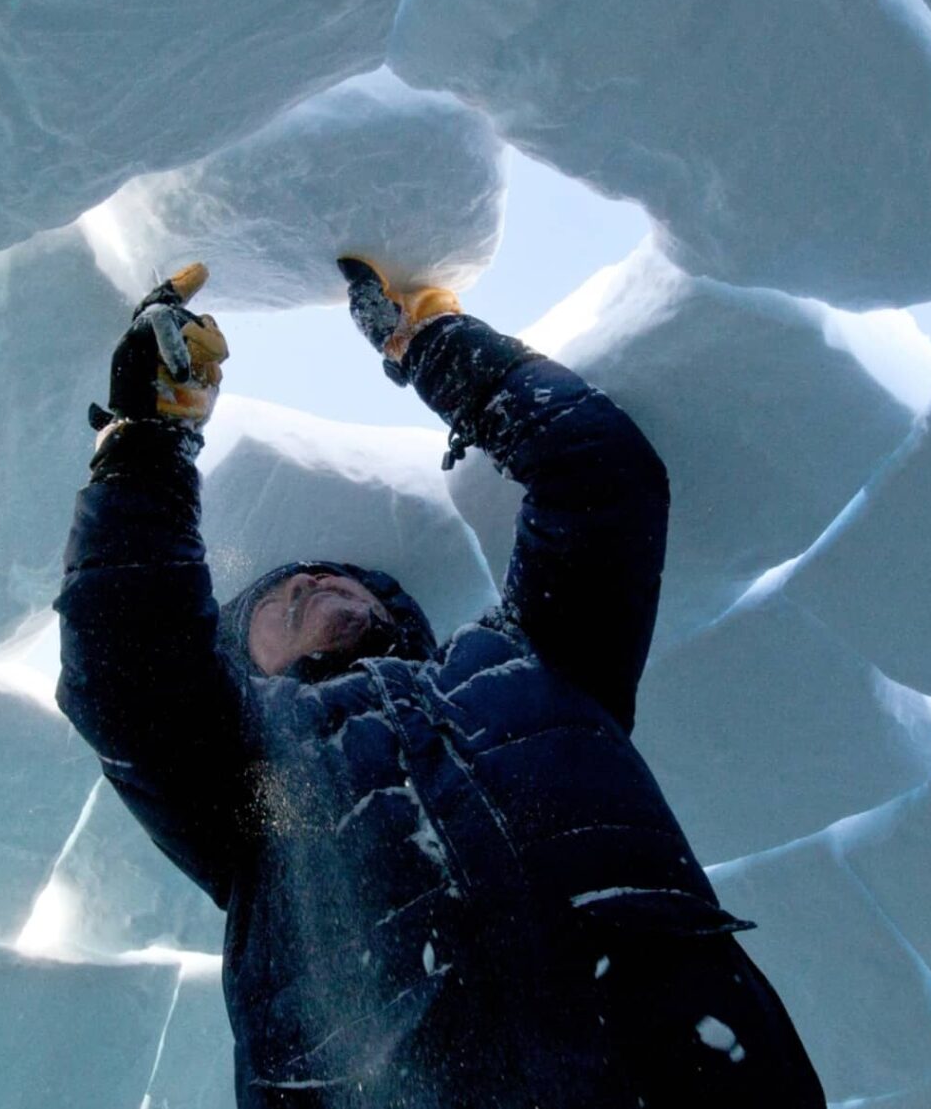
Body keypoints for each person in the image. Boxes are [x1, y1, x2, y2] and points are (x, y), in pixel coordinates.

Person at [56, 257, 827, 1107]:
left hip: (679, 1070)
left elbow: (599, 476)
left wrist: (426, 338)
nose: (308, 582)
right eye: (277, 600)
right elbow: (129, 671)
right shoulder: (242, 785)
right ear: (244, 674)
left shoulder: (529, 660)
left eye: (324, 574)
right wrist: (149, 439)